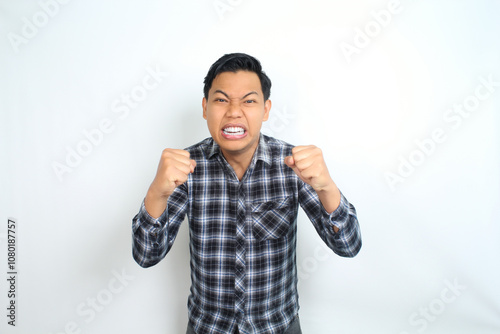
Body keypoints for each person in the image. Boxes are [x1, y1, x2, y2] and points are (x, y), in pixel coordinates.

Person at [132, 53, 362, 334]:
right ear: (205, 107)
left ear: (265, 110)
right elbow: (145, 255)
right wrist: (157, 192)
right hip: (209, 326)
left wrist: (327, 187)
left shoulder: (292, 164)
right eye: (221, 99)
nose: (233, 111)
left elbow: (349, 245)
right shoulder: (185, 167)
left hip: (278, 325)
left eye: (249, 101)